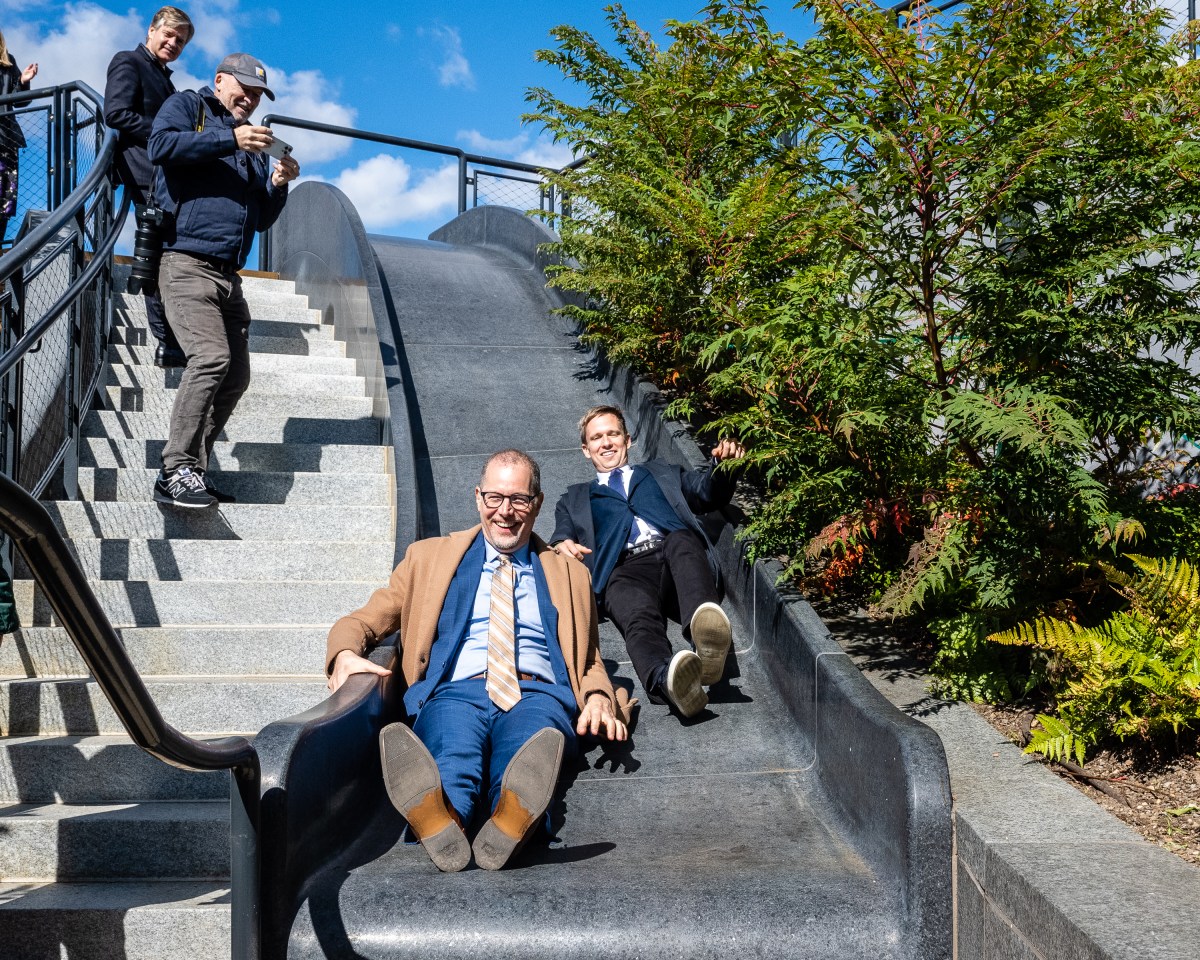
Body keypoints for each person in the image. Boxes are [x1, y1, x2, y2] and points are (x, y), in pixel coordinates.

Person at [326, 449, 628, 872]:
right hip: (455, 690)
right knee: (451, 754)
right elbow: (365, 619)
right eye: (494, 498)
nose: (505, 512)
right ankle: (444, 818)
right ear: (477, 498)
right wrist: (342, 653)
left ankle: (511, 819)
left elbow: (589, 657)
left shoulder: (569, 573)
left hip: (536, 693)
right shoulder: (428, 559)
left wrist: (598, 696)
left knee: (527, 756)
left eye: (519, 499)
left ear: (537, 503)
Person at [147, 53, 299, 508]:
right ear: (219, 81)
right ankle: (175, 469)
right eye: (244, 89)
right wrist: (229, 138)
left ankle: (194, 468)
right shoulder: (186, 107)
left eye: (257, 95)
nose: (250, 100)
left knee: (235, 377)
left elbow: (262, 218)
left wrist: (278, 183)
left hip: (228, 277)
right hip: (185, 262)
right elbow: (161, 148)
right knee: (211, 358)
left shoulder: (250, 146)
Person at [552, 405, 744, 719]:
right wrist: (563, 546)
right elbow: (560, 537)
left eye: (612, 434)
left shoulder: (661, 472)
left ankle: (705, 637)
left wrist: (723, 467)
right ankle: (670, 683)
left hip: (676, 559)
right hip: (623, 572)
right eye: (597, 438)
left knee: (682, 539)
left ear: (627, 440)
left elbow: (706, 493)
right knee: (637, 621)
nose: (606, 443)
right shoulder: (574, 499)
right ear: (586, 450)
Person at [104, 5, 193, 367]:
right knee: (156, 252)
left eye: (181, 41)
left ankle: (171, 339)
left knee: (169, 249)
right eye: (169, 35)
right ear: (151, 31)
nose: (173, 43)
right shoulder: (129, 61)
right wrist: (167, 135)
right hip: (142, 172)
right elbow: (116, 113)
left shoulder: (167, 79)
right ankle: (167, 341)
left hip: (162, 175)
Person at [0, 31, 37, 246]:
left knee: (4, 203)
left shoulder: (7, 62)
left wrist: (23, 81)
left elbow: (19, 101)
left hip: (6, 140)